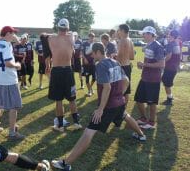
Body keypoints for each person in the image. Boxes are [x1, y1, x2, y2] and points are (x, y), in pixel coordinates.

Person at [51, 43, 146, 171]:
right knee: (125, 115)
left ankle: (65, 163)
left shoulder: (100, 65)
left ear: (97, 52)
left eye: (92, 54)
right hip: (119, 102)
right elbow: (127, 80)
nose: (91, 56)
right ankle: (141, 135)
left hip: (108, 106)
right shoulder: (115, 62)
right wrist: (120, 94)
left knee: (88, 131)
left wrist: (101, 109)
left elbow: (107, 87)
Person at [44, 18, 82, 132]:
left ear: (58, 27)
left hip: (57, 70)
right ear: (68, 28)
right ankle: (76, 123)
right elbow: (71, 34)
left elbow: (44, 35)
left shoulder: (51, 38)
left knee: (59, 100)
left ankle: (60, 125)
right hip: (68, 70)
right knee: (72, 98)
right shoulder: (71, 37)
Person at [0, 26, 25, 140]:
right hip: (9, 79)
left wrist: (15, 41)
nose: (14, 35)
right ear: (7, 34)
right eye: (13, 33)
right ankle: (12, 132)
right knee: (13, 106)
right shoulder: (7, 45)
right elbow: (8, 63)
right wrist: (17, 65)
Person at [135, 26, 165, 130]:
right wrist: (142, 65)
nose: (143, 36)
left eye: (144, 34)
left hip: (153, 79)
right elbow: (147, 60)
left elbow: (162, 64)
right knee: (138, 99)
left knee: (152, 102)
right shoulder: (148, 45)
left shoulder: (158, 46)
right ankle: (143, 118)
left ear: (150, 34)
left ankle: (151, 123)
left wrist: (145, 65)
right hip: (145, 77)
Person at [116, 24, 135, 105]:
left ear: (123, 30)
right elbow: (132, 57)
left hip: (121, 67)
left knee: (120, 88)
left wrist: (114, 57)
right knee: (126, 88)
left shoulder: (122, 40)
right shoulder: (130, 40)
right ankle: (124, 107)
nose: (118, 32)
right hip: (128, 66)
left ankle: (120, 107)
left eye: (119, 30)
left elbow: (119, 56)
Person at [162, 30, 181, 105]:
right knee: (166, 81)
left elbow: (168, 56)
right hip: (174, 67)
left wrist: (161, 62)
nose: (168, 36)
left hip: (170, 67)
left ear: (172, 36)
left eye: (169, 35)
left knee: (166, 83)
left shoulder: (171, 44)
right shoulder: (177, 43)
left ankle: (169, 99)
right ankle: (170, 96)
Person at [81, 32, 96, 96]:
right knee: (87, 78)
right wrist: (85, 59)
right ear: (88, 37)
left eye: (93, 37)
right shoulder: (84, 44)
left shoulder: (94, 44)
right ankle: (89, 91)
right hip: (86, 64)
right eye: (91, 37)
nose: (92, 38)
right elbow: (81, 52)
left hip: (93, 63)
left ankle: (90, 87)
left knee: (94, 78)